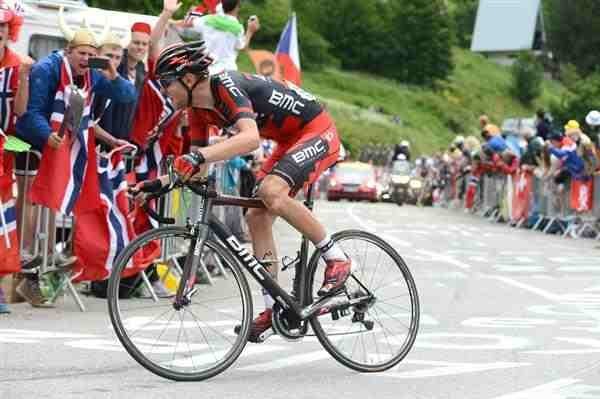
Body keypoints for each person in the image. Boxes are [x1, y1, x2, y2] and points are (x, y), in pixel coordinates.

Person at [154, 41, 351, 342]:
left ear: (189, 79)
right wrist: (158, 184)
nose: (166, 91)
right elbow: (196, 164)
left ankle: (336, 258)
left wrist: (200, 157)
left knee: (271, 192)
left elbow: (250, 139)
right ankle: (273, 309)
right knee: (256, 217)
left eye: (167, 83)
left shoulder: (226, 85)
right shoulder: (197, 109)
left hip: (315, 129)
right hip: (288, 140)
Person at [15, 14, 136, 307]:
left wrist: (112, 73)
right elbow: (30, 113)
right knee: (32, 206)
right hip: (31, 144)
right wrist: (48, 136)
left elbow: (127, 95)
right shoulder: (47, 68)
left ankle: (40, 271)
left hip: (64, 148)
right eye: (82, 53)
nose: (87, 59)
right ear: (68, 50)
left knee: (63, 206)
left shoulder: (94, 74)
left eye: (92, 55)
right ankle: (25, 272)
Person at [0, 1, 32, 313]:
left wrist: (23, 78)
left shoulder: (16, 64)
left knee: (1, 223)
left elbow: (21, 112)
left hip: (4, 155)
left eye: (1, 27)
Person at [185, 0, 260, 74]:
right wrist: (250, 31)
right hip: (228, 71)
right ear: (236, 7)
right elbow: (242, 47)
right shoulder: (238, 28)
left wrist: (192, 12)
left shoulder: (207, 20)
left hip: (207, 68)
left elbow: (188, 23)